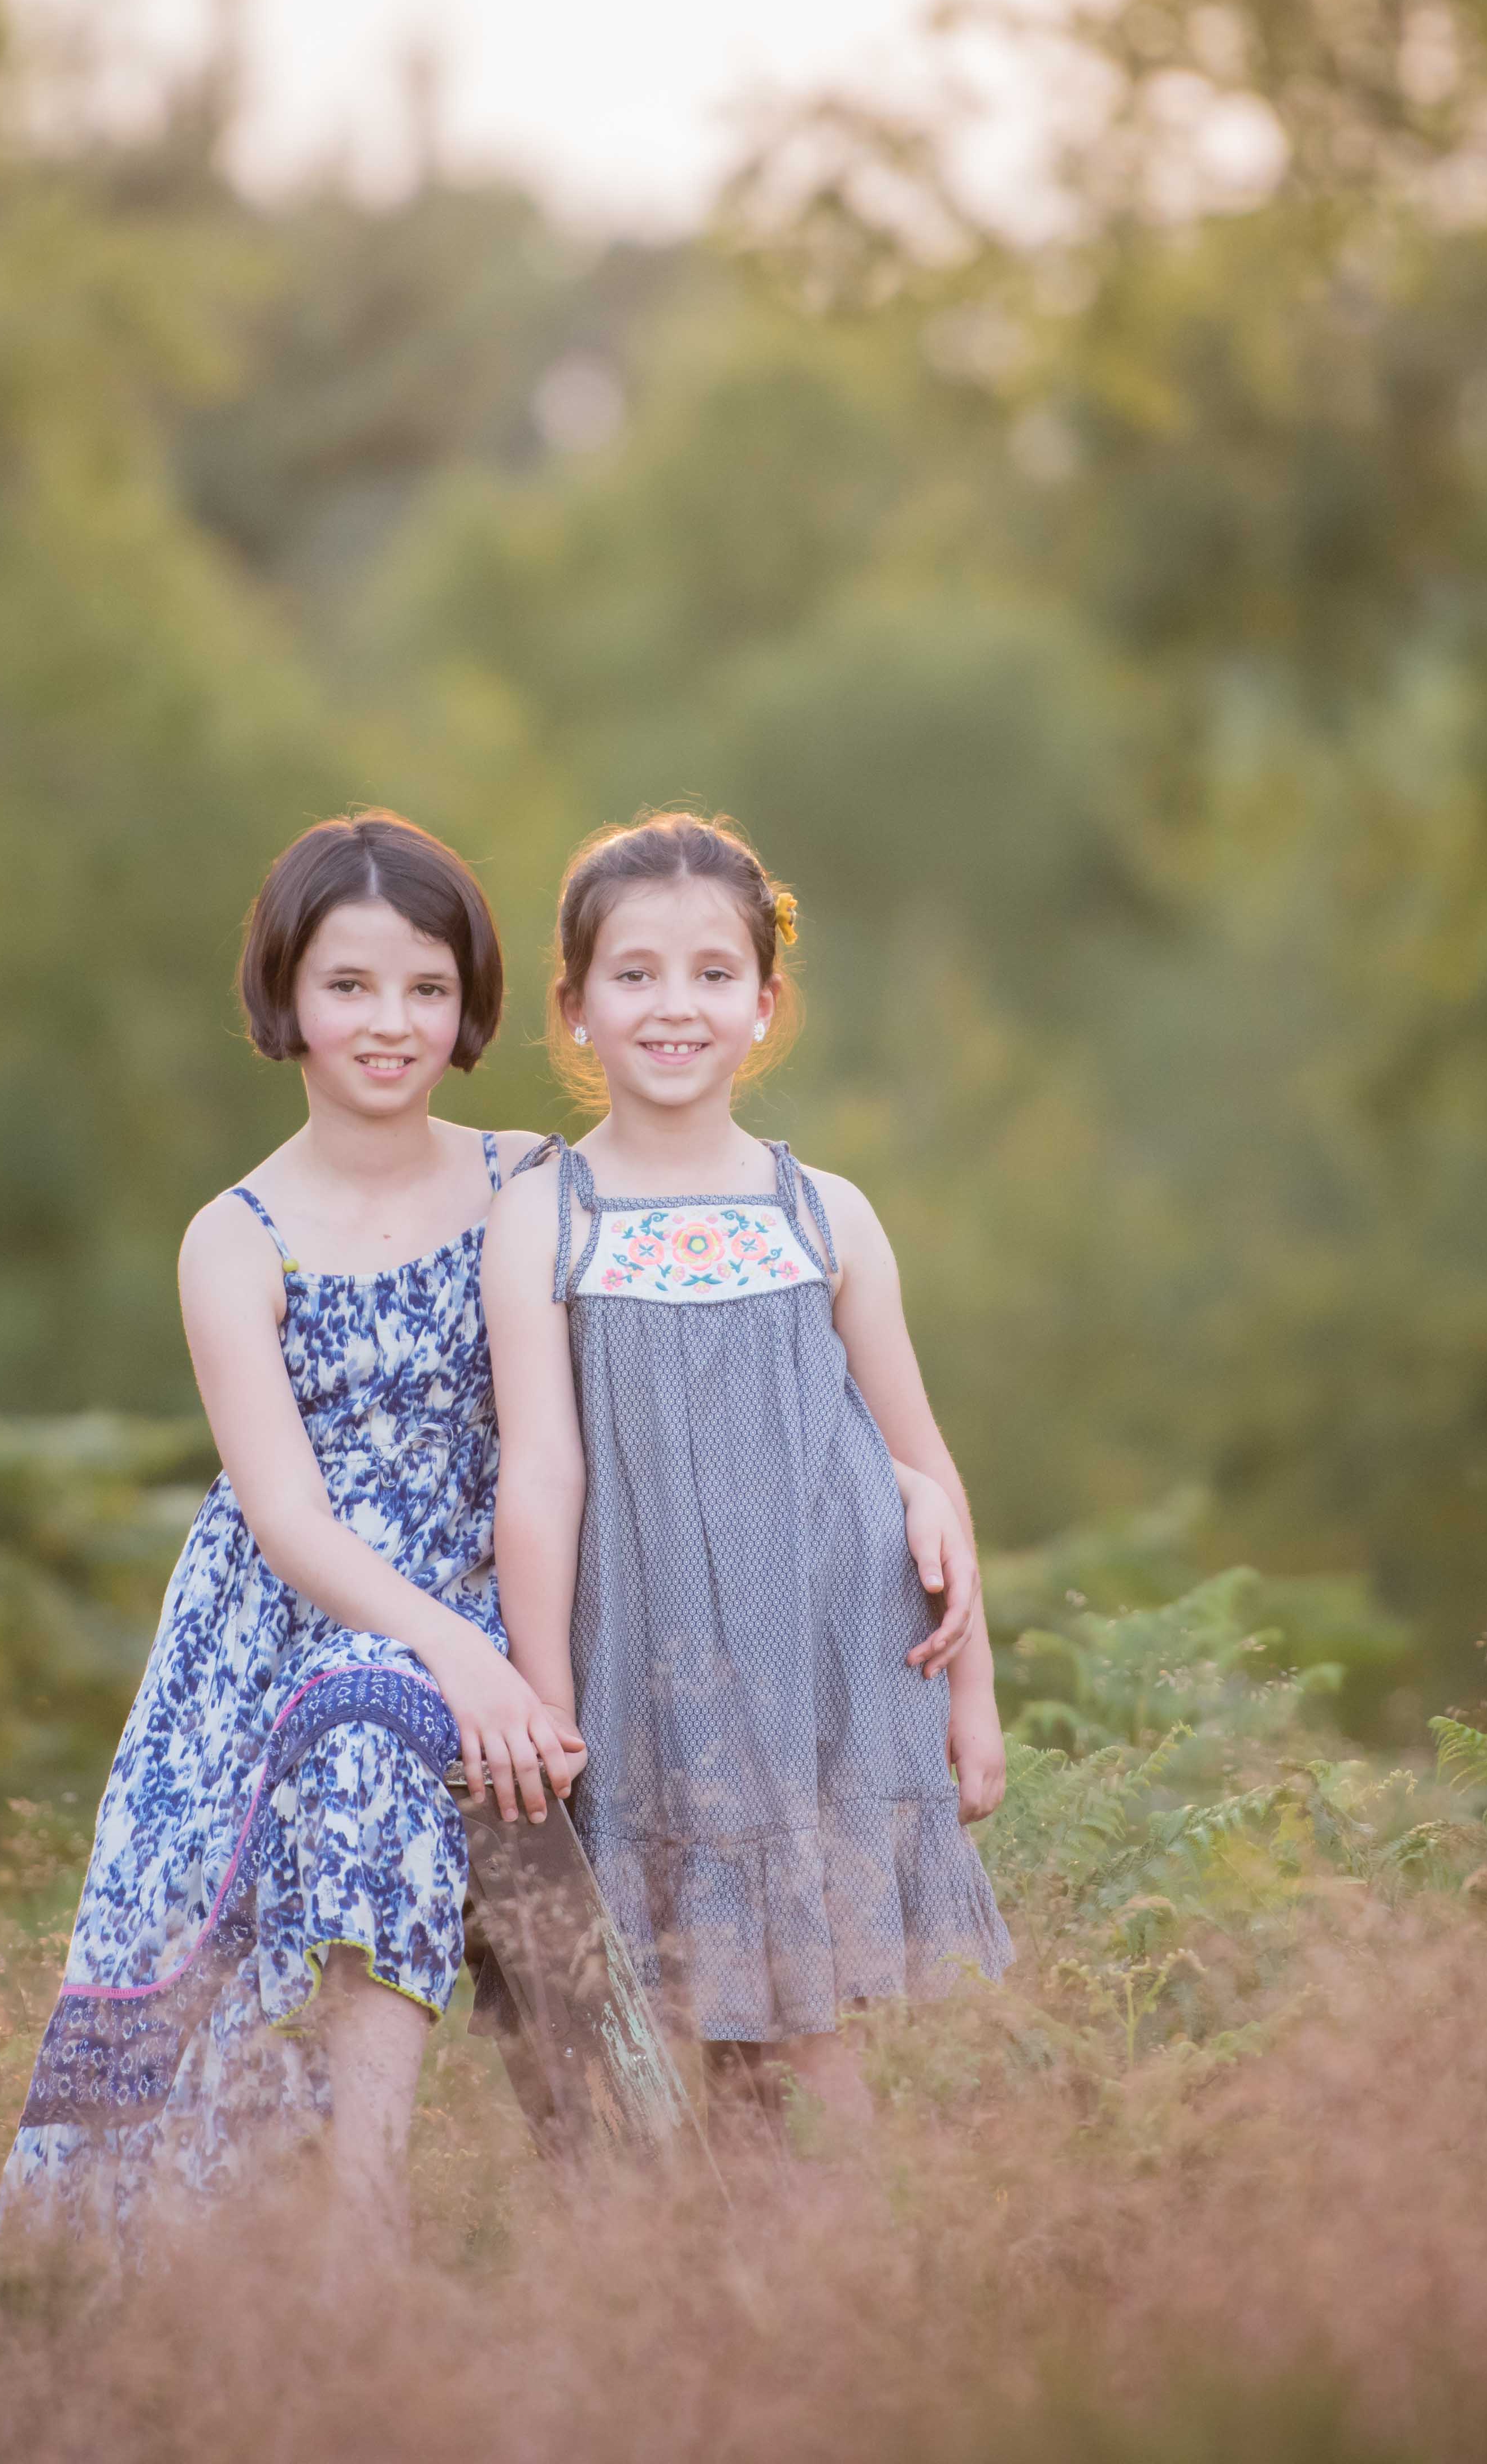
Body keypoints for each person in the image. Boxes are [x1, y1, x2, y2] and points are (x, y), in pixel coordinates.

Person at [0, 811, 587, 2255]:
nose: (389, 1022)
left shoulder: (528, 1175)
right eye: (349, 985)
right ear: (286, 996)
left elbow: (674, 1354)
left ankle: (378, 2210)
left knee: (376, 1715)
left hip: (506, 1573)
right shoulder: (235, 1234)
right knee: (355, 1721)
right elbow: (283, 1512)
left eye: (427, 989)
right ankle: (346, 2229)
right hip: (293, 1613)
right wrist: (454, 1655)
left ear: (467, 1009)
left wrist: (897, 1473)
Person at [484, 811, 1009, 2160]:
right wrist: (542, 1694)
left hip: (826, 1667)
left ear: (764, 1004)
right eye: (635, 974)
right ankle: (677, 2324)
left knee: (803, 2036)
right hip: (638, 1669)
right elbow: (540, 1467)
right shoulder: (547, 1212)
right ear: (576, 1007)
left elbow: (918, 1452)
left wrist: (975, 1692)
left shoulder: (821, 1208)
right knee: (648, 2039)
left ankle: (835, 2321)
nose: (675, 1006)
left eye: (713, 973)